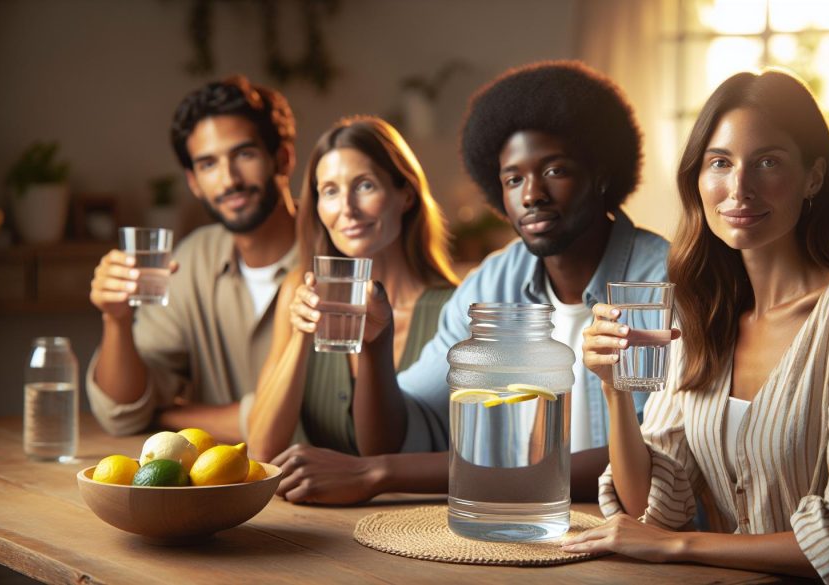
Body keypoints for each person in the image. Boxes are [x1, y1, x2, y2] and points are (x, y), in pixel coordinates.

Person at [565, 70, 829, 583]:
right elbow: (646, 512)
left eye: (767, 162)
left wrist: (677, 547)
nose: (739, 188)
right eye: (719, 163)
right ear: (697, 181)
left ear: (814, 177)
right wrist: (615, 389)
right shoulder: (702, 313)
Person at [270, 61, 669, 505]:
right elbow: (402, 432)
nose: (532, 194)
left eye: (555, 171)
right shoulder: (494, 283)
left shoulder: (662, 283)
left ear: (601, 175)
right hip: (522, 539)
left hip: (633, 538)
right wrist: (375, 345)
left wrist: (379, 474)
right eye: (513, 179)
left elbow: (656, 456)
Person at [86, 76, 298, 443]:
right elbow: (123, 412)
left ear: (282, 158)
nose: (229, 180)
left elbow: (311, 422)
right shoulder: (192, 259)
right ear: (194, 181)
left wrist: (173, 415)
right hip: (213, 491)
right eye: (208, 164)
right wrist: (115, 318)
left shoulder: (337, 263)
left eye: (244, 155)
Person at [248, 116, 459, 462]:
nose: (346, 208)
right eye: (329, 191)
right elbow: (262, 449)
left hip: (418, 515)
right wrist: (302, 333)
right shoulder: (296, 289)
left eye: (364, 185)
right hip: (311, 515)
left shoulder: (455, 309)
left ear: (405, 195)